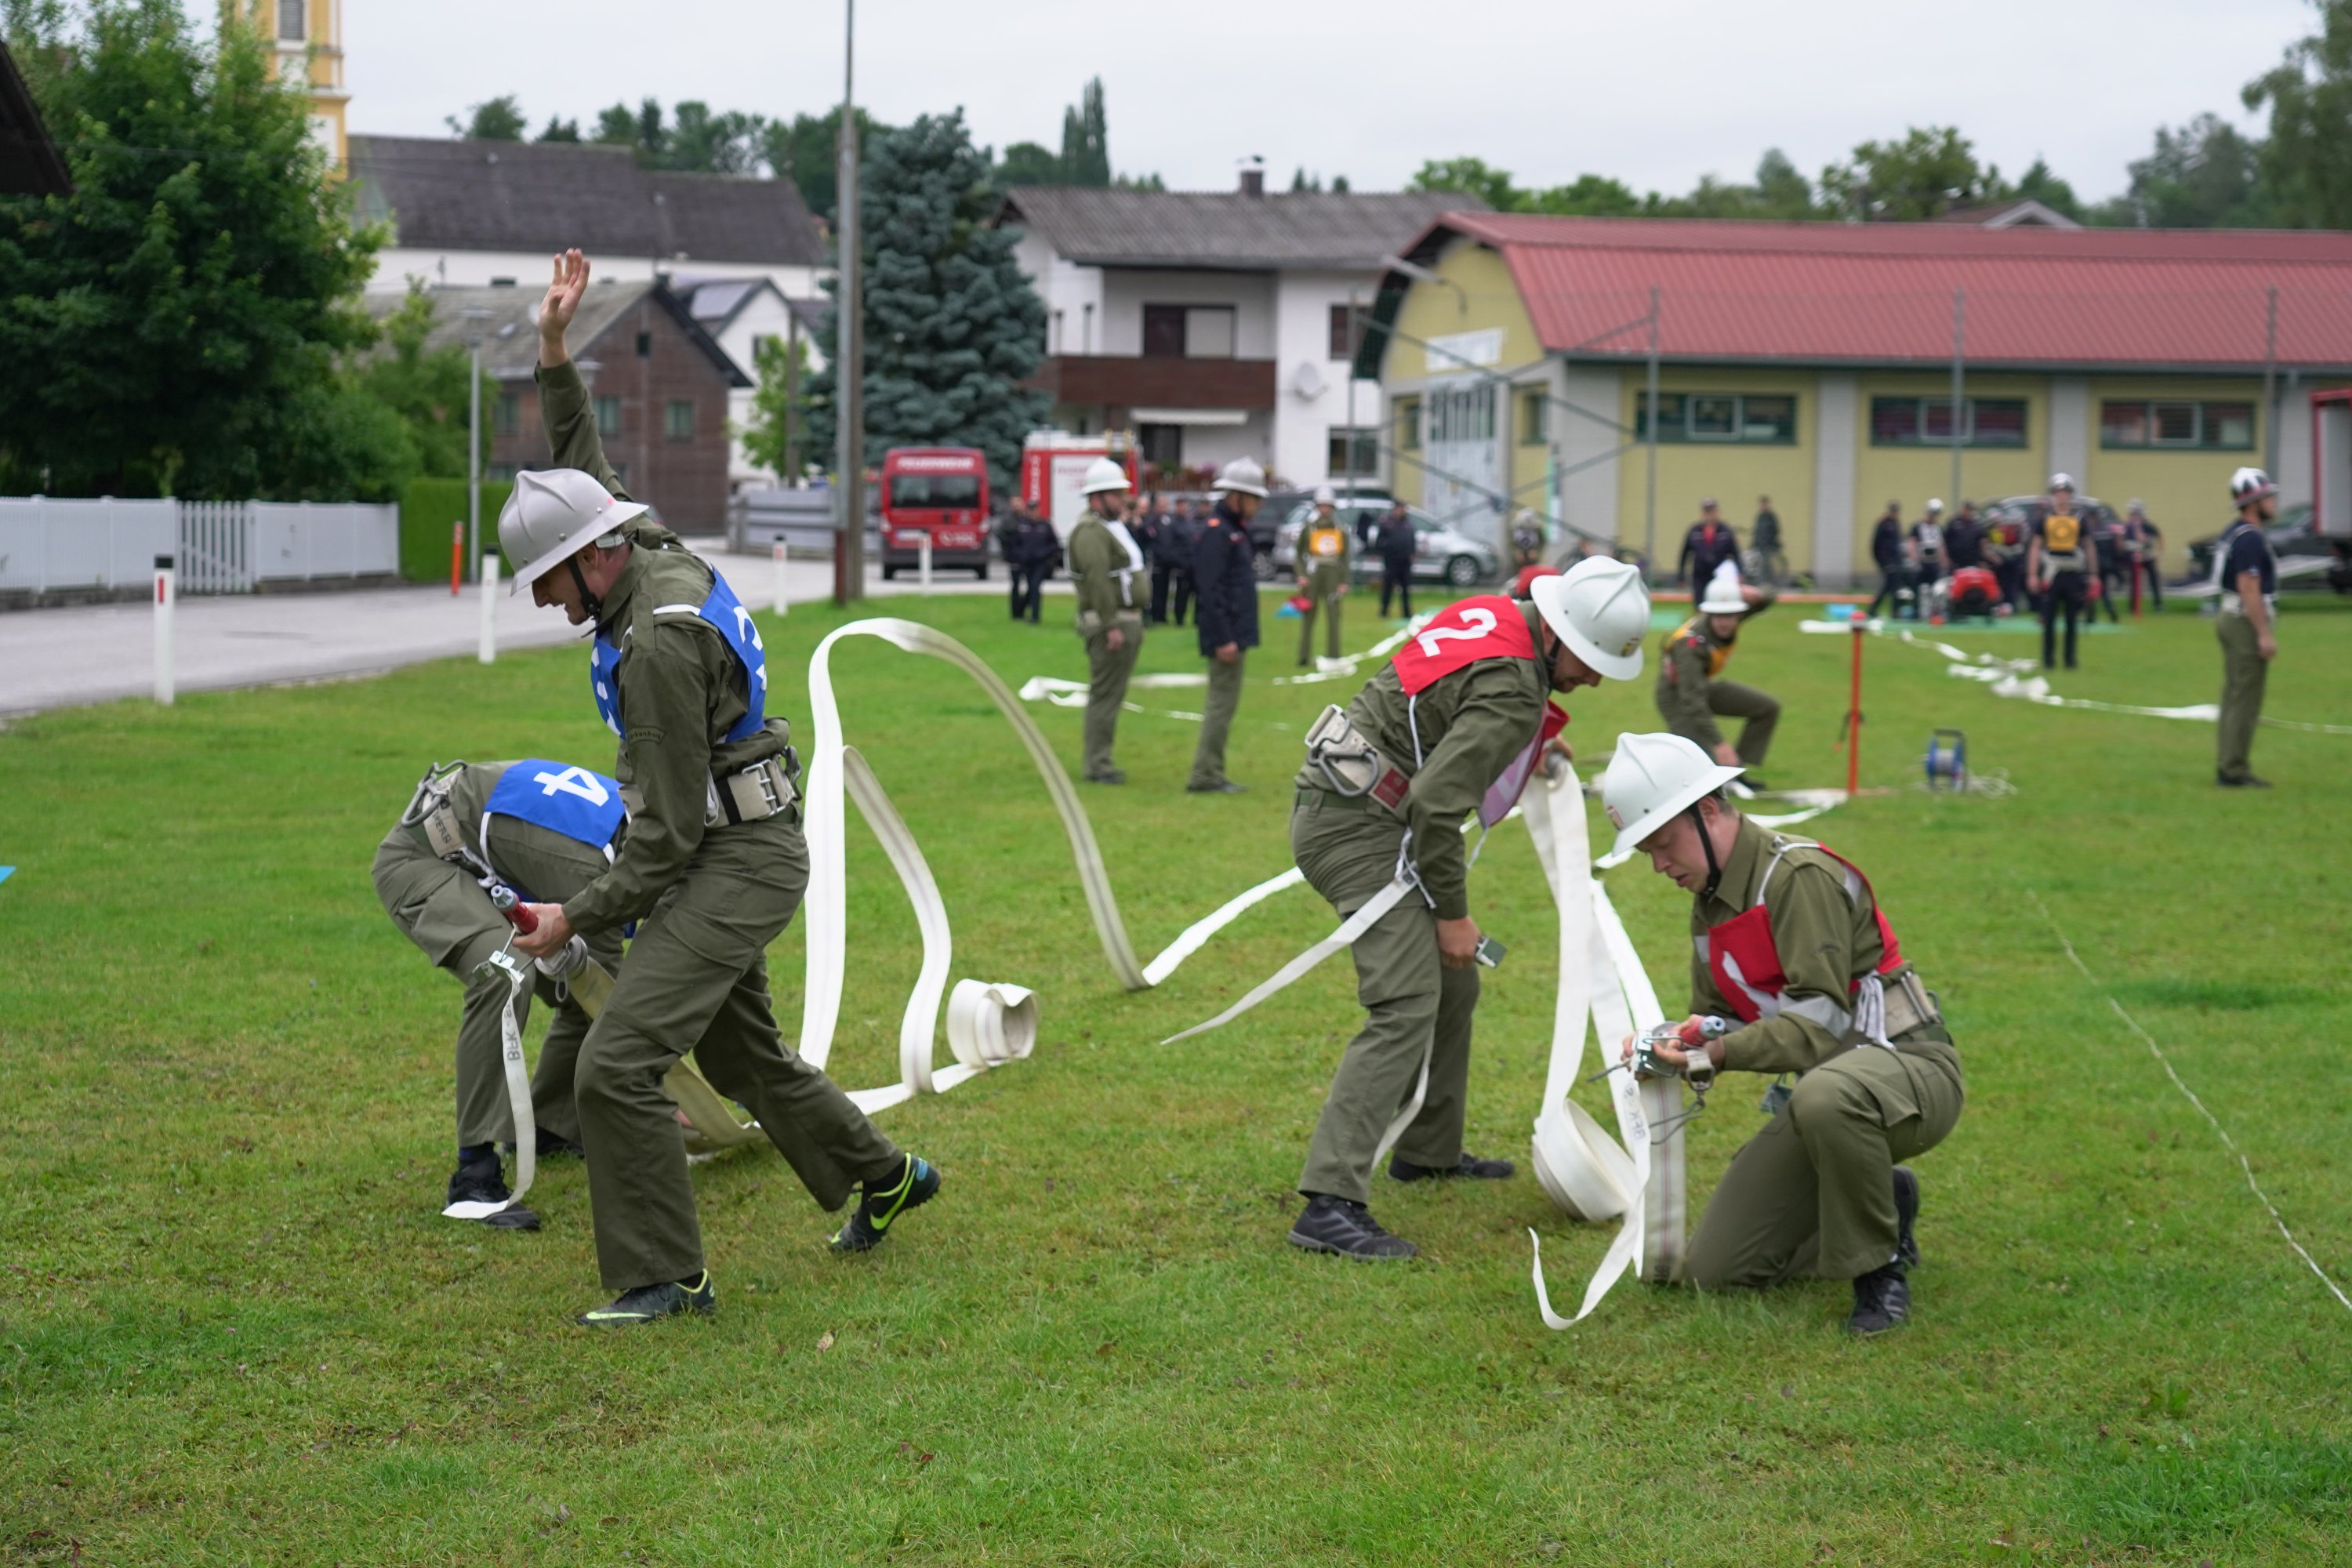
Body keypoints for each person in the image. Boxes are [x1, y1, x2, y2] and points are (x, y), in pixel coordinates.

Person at [500, 249, 939, 1326]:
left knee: (614, 1068)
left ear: (592, 562)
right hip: (736, 847)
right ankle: (885, 1177)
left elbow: (656, 847)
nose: (547, 604)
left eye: (549, 583)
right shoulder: (639, 546)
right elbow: (580, 471)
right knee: (745, 1057)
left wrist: (571, 916)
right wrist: (555, 351)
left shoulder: (653, 647)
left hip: (729, 861)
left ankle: (665, 1277)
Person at [1287, 558, 1653, 1259]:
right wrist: (1452, 917)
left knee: (1457, 982)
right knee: (1407, 998)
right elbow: (1435, 802)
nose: (1598, 678)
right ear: (1561, 634)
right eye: (1593, 659)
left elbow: (1451, 709)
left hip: (1354, 799)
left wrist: (1532, 736)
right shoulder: (1517, 691)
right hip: (1355, 823)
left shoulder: (1503, 616)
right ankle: (1329, 1202)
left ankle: (1427, 1150)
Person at [1599, 732, 1963, 1335]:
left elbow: (1818, 1025)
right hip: (1832, 1096)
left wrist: (1715, 1052)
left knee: (1825, 1097)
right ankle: (1880, 1197)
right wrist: (1676, 1044)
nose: (1660, 865)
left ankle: (1879, 1269)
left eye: (1663, 843)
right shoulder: (1711, 902)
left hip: (1909, 1074)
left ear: (1708, 811)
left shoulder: (1800, 876)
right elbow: (1720, 1019)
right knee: (1715, 1271)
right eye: (1646, 852)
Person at [373, 757, 624, 1229]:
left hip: (479, 861)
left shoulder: (632, 830)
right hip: (420, 861)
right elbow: (608, 997)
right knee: (505, 972)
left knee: (582, 985)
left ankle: (552, 1122)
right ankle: (473, 1177)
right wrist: (661, 1102)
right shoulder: (590, 861)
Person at [1656, 561, 1780, 787]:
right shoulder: (1691, 645)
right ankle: (1721, 775)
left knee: (1767, 708)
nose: (1725, 622)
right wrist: (1719, 743)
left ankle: (1737, 773)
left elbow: (1770, 598)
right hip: (1677, 696)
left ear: (1739, 613)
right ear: (1709, 613)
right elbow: (1692, 700)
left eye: (1731, 616)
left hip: (1701, 684)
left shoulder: (1732, 615)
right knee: (1705, 769)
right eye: (1718, 616)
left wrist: (1758, 594)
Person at [1187, 457, 1266, 794]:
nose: (1259, 506)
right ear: (1237, 497)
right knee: (1220, 705)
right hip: (1226, 637)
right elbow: (1210, 590)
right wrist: (1223, 638)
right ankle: (1206, 774)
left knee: (1225, 705)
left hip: (1235, 633)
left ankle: (1212, 770)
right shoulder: (1219, 533)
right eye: (1255, 498)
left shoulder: (1234, 531)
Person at [1066, 459, 1147, 785]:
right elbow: (1098, 581)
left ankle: (1101, 760)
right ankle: (1098, 764)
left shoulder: (1108, 526)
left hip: (1122, 619)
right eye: (1114, 494)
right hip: (1110, 623)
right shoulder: (1091, 531)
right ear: (1096, 497)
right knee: (1105, 695)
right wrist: (1111, 624)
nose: (1121, 499)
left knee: (1111, 695)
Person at [2214, 467, 2281, 788]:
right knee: (2245, 696)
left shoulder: (2234, 532)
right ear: (2254, 501)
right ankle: (2234, 769)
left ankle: (2229, 762)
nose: (2273, 501)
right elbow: (2249, 587)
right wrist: (2264, 634)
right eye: (2268, 496)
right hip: (2243, 619)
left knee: (2234, 694)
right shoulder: (2250, 537)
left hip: (2230, 615)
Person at [2028, 474, 2098, 670]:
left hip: (2073, 571)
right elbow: (2035, 546)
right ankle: (2048, 660)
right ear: (2053, 495)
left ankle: (2070, 659)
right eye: (2058, 492)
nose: (2062, 496)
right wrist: (2032, 574)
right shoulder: (2044, 518)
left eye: (2065, 492)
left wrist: (2093, 574)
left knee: (2071, 618)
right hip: (2052, 571)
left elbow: (2088, 546)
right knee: (2049, 618)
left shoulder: (2079, 518)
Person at [1296, 485, 1352, 666]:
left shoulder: (1340, 528)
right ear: (1317, 507)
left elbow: (1346, 556)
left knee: (1334, 614)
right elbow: (1298, 553)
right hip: (1313, 573)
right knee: (1308, 615)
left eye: (1328, 505)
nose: (1324, 509)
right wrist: (1301, 575)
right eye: (1321, 505)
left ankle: (1333, 655)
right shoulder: (1309, 527)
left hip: (1333, 574)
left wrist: (1344, 581)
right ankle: (1303, 657)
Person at [1152, 498, 1196, 626]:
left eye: (1185, 506)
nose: (1183, 509)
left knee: (1195, 594)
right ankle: (1179, 618)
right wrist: (1178, 562)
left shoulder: (1191, 524)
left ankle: (1196, 619)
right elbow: (1169, 547)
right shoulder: (1171, 526)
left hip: (1192, 564)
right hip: (1180, 565)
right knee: (1181, 594)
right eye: (1180, 506)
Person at [1677, 499, 1740, 586]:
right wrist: (1681, 575)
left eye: (1712, 511)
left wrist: (1740, 572)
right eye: (1707, 511)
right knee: (1700, 599)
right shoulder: (1695, 532)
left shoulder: (1725, 532)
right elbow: (1685, 554)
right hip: (1700, 574)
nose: (1710, 515)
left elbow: (1736, 553)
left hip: (1720, 574)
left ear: (1717, 512)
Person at [2118, 500, 2165, 612]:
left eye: (2135, 514)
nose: (2133, 517)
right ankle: (2133, 606)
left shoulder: (2147, 526)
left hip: (2147, 557)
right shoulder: (2126, 527)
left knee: (2154, 579)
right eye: (2131, 514)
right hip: (2134, 558)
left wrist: (2159, 554)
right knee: (2134, 582)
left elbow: (2159, 537)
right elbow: (2121, 541)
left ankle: (2158, 605)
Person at [1374, 500, 1417, 619]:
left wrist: (1413, 553)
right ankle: (1384, 611)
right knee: (1388, 587)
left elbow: (1412, 540)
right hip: (1391, 561)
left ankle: (1407, 613)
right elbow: (1379, 541)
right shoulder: (1387, 524)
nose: (1401, 511)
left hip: (1405, 561)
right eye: (1399, 509)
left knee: (1405, 589)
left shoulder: (1408, 524)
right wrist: (1385, 551)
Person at [1865, 501, 1907, 619]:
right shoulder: (1883, 523)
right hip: (1887, 561)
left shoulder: (1896, 523)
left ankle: (1874, 609)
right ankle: (1893, 611)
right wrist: (1881, 562)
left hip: (1895, 560)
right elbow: (1876, 544)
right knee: (1892, 586)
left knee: (1891, 587)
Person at [1984, 510, 2027, 611]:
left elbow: (2018, 547)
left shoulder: (2018, 531)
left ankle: (2009, 605)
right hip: (2001, 562)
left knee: (2011, 585)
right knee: (2001, 584)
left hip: (2012, 561)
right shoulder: (1994, 532)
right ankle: (2000, 604)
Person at [1909, 499, 1947, 591]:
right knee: (1918, 588)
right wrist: (1914, 559)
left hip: (1934, 563)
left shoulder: (1938, 528)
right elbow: (1912, 543)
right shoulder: (1917, 527)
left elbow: (1941, 546)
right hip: (1922, 562)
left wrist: (1943, 561)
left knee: (1934, 588)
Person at [1751, 495, 1785, 585]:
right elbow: (1757, 531)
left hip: (1769, 545)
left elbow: (1776, 530)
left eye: (1764, 504)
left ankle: (1770, 581)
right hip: (1761, 545)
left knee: (1766, 563)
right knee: (1762, 564)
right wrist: (1754, 544)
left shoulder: (1771, 517)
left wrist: (1770, 540)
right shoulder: (1760, 517)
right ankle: (1767, 581)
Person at [1944, 500, 1984, 572]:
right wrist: (1946, 558)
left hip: (1972, 561)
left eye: (1971, 510)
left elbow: (1981, 544)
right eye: (1967, 510)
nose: (1969, 512)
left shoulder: (1976, 525)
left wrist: (1981, 560)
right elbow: (1945, 541)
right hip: (1955, 561)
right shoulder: (1954, 523)